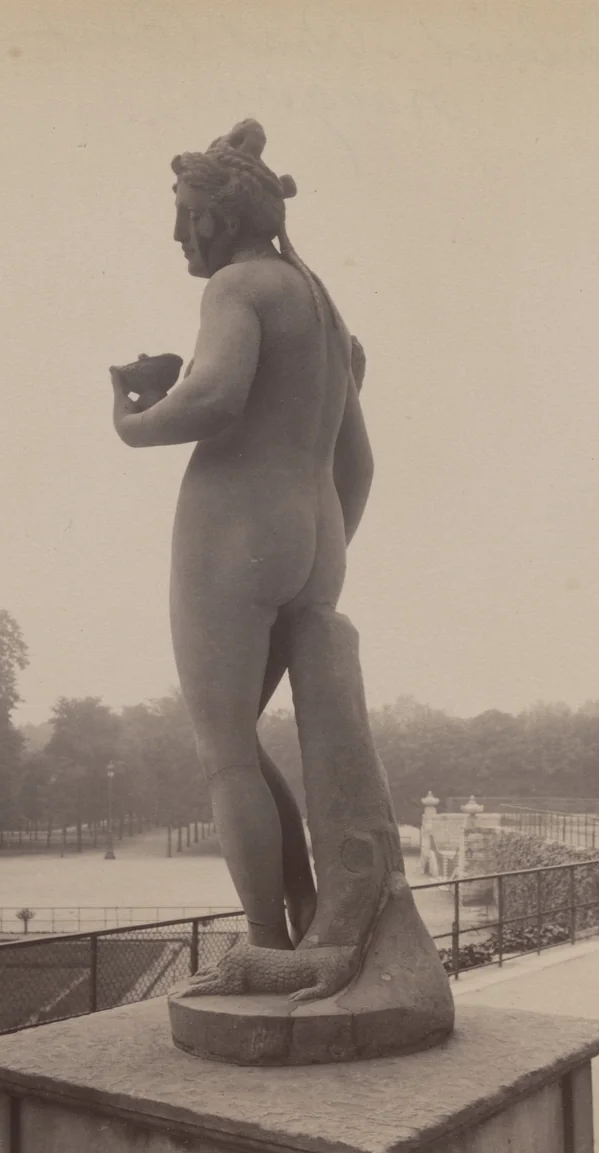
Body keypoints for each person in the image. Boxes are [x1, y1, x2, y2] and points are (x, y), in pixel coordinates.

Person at [111, 119, 374, 952]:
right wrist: (314, 552)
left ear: (216, 219)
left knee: (224, 753)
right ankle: (306, 916)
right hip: (317, 539)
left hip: (234, 533)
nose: (177, 233)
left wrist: (131, 414)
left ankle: (264, 950)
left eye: (186, 213)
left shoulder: (237, 288)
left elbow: (218, 398)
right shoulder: (324, 309)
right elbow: (359, 464)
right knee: (239, 745)